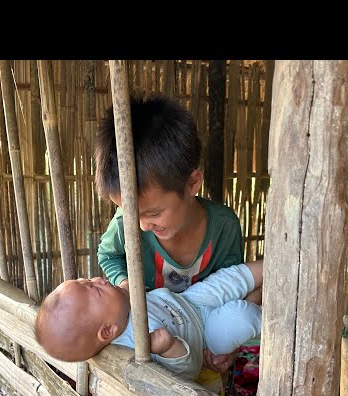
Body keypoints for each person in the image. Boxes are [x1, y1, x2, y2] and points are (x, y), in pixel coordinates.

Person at [94, 93, 260, 374]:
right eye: (132, 214)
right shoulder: (127, 223)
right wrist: (125, 284)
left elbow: (235, 291)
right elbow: (108, 255)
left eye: (154, 213)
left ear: (193, 181)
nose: (143, 226)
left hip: (202, 347)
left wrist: (228, 348)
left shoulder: (223, 228)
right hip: (157, 361)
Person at [35, 261, 262, 381]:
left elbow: (125, 286)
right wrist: (170, 349)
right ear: (107, 331)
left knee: (231, 278)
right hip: (207, 335)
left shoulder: (121, 306)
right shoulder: (137, 345)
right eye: (95, 289)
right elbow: (189, 372)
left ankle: (273, 265)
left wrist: (124, 288)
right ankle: (275, 311)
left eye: (88, 280)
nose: (99, 279)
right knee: (241, 316)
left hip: (191, 299)